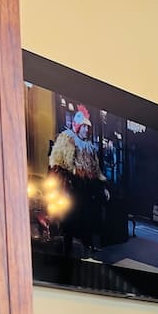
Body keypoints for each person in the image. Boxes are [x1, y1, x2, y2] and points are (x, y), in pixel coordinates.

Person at [47, 104, 110, 256]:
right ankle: (67, 251)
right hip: (72, 188)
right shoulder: (67, 141)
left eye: (88, 128)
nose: (86, 130)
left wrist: (103, 187)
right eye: (84, 127)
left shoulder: (90, 148)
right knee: (69, 221)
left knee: (88, 219)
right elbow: (57, 165)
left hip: (87, 190)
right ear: (77, 126)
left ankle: (88, 248)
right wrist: (70, 177)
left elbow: (96, 171)